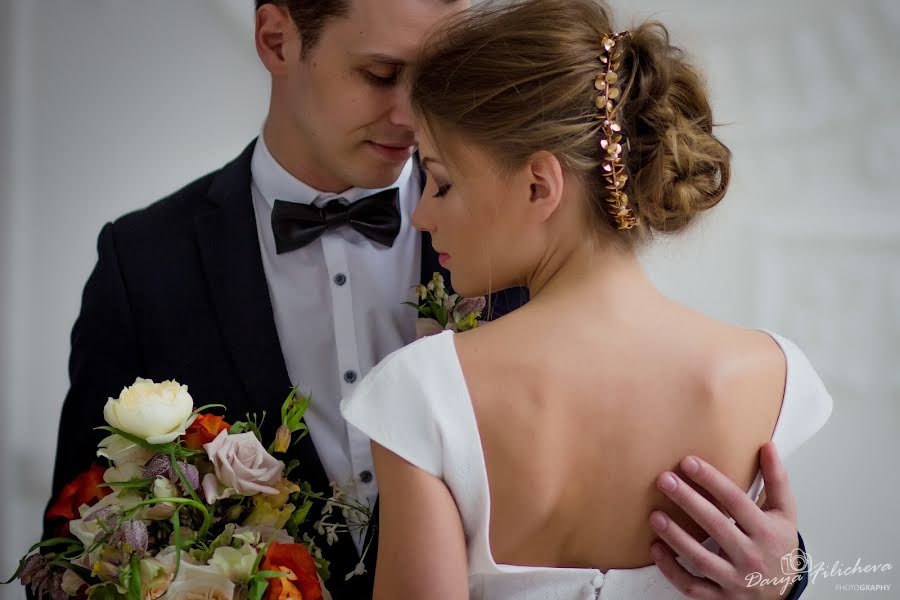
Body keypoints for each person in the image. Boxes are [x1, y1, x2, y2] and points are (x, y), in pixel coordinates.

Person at [42, 1, 817, 598]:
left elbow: (653, 438)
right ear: (277, 41)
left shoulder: (512, 215)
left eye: (440, 79)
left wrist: (783, 573)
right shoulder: (143, 263)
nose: (415, 116)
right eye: (382, 74)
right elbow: (73, 544)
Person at [340, 0, 832, 598]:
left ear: (538, 185)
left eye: (441, 181)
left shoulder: (425, 393)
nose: (421, 214)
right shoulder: (769, 375)